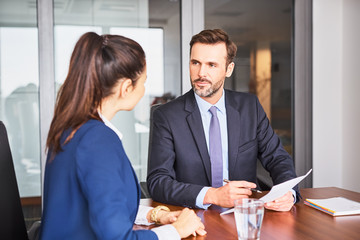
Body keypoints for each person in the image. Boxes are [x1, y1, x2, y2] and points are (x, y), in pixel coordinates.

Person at [40, 32, 206, 240]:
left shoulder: (73, 128)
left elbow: (103, 205)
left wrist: (157, 215)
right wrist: (176, 231)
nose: (144, 89)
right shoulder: (97, 140)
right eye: (143, 82)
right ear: (127, 87)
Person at [147, 29, 300, 211]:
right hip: (193, 216)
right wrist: (212, 195)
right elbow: (158, 181)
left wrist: (288, 192)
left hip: (243, 214)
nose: (201, 73)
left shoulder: (249, 107)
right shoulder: (166, 116)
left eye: (212, 65)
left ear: (229, 69)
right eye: (195, 63)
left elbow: (278, 158)